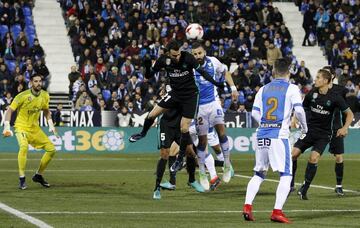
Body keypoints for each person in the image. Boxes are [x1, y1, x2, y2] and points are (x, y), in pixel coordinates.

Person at [128, 40, 223, 173]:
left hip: (190, 96)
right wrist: (147, 66)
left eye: (178, 54)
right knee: (152, 114)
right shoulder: (162, 60)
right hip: (175, 93)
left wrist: (216, 82)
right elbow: (148, 76)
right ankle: (142, 133)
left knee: (184, 128)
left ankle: (179, 160)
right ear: (167, 54)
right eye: (174, 56)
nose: (177, 57)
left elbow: (202, 72)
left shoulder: (188, 57)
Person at [242, 58, 307, 223]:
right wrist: (304, 128)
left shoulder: (263, 89)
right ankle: (277, 211)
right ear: (289, 71)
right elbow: (299, 111)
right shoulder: (292, 88)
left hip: (262, 133)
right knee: (286, 175)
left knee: (259, 173)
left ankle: (247, 207)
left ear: (273, 71)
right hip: (279, 135)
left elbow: (255, 113)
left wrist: (265, 123)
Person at [291, 69, 354, 200]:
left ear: (325, 81)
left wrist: (345, 127)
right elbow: (302, 108)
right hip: (309, 131)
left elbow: (350, 114)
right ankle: (289, 184)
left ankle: (304, 190)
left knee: (313, 158)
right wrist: (295, 119)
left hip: (324, 134)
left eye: (318, 77)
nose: (315, 80)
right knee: (293, 154)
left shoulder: (335, 97)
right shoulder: (312, 93)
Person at [191, 42, 239, 189]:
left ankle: (227, 164)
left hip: (213, 103)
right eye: (195, 54)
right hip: (199, 108)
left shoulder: (213, 61)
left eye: (199, 53)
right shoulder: (189, 67)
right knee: (202, 141)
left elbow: (225, 72)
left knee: (222, 132)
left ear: (204, 52)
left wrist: (233, 87)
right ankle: (203, 173)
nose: (197, 56)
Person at [2, 74, 58, 190]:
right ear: (31, 83)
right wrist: (7, 126)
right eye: (36, 81)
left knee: (51, 149)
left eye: (40, 81)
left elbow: (46, 110)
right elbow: (9, 111)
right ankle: (22, 179)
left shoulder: (45, 95)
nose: (38, 83)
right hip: (21, 127)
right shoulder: (22, 96)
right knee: (23, 147)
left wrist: (51, 124)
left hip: (35, 129)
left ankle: (38, 175)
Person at [153, 102, 204, 200]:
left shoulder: (187, 94)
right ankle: (157, 188)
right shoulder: (171, 93)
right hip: (166, 126)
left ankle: (192, 180)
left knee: (190, 152)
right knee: (165, 154)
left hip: (180, 126)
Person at [323, 66, 348, 196]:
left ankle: (339, 186)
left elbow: (345, 111)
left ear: (332, 76)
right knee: (307, 155)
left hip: (336, 128)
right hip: (320, 128)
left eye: (326, 73)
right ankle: (300, 185)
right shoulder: (317, 90)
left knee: (338, 157)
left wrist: (345, 127)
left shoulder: (341, 91)